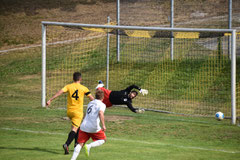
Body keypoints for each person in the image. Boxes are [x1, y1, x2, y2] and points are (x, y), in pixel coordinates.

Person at [46, 72, 94, 155]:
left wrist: (50, 99)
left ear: (73, 79)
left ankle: (76, 144)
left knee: (78, 126)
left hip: (69, 111)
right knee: (74, 129)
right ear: (80, 79)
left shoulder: (69, 86)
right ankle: (67, 144)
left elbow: (60, 92)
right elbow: (91, 98)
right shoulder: (83, 88)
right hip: (77, 112)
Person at [71, 89, 106, 160]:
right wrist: (103, 125)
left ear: (95, 96)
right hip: (93, 127)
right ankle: (89, 146)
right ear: (103, 98)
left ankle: (72, 159)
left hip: (84, 126)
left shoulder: (90, 103)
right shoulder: (102, 105)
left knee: (80, 143)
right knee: (103, 139)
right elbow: (100, 113)